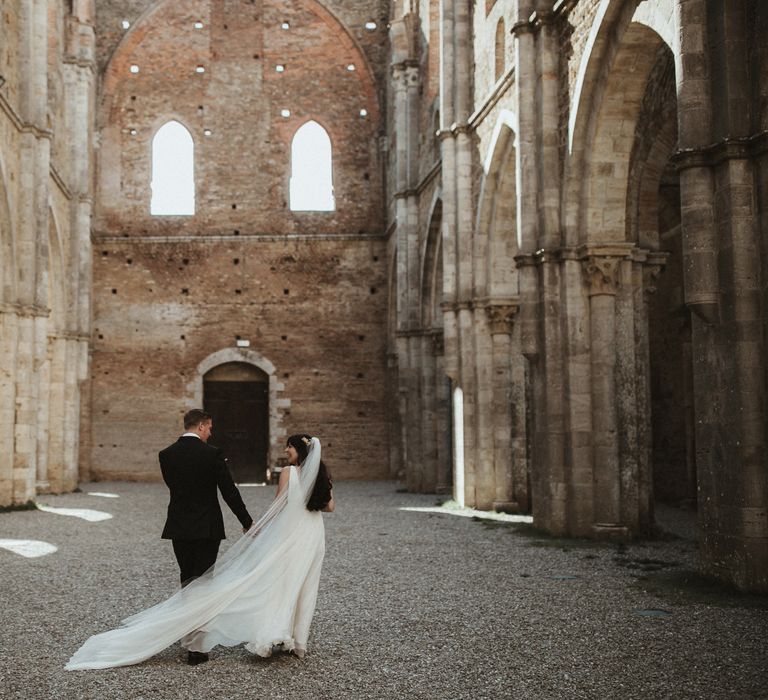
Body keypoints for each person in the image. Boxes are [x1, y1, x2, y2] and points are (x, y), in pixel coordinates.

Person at [65, 433, 333, 670]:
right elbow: (329, 507)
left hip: (280, 532)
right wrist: (248, 522)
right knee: (302, 583)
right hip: (311, 533)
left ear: (300, 450)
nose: (286, 451)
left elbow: (279, 505)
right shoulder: (320, 475)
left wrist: (257, 528)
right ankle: (296, 641)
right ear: (204, 427)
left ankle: (205, 633)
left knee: (269, 581)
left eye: (289, 447)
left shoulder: (287, 472)